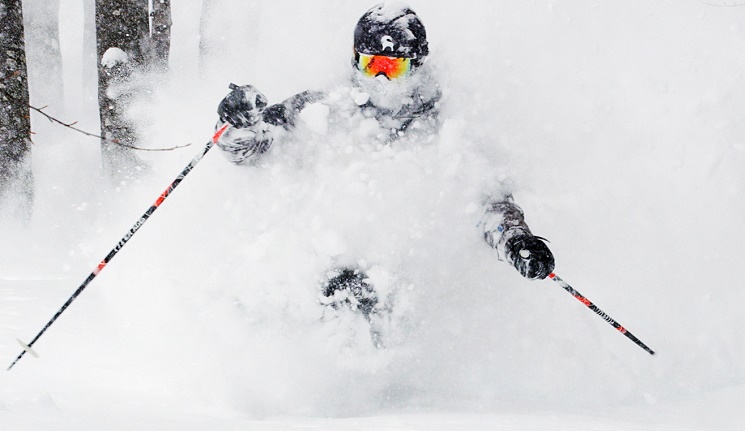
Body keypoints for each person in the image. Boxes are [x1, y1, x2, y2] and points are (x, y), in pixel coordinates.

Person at [214, 2, 554, 344]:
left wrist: (515, 240)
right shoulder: (323, 106)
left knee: (379, 296)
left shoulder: (448, 124)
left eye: (392, 67)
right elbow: (249, 152)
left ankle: (369, 359)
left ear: (417, 66)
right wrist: (237, 123)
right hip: (320, 267)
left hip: (403, 279)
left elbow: (486, 201)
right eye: (370, 64)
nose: (378, 78)